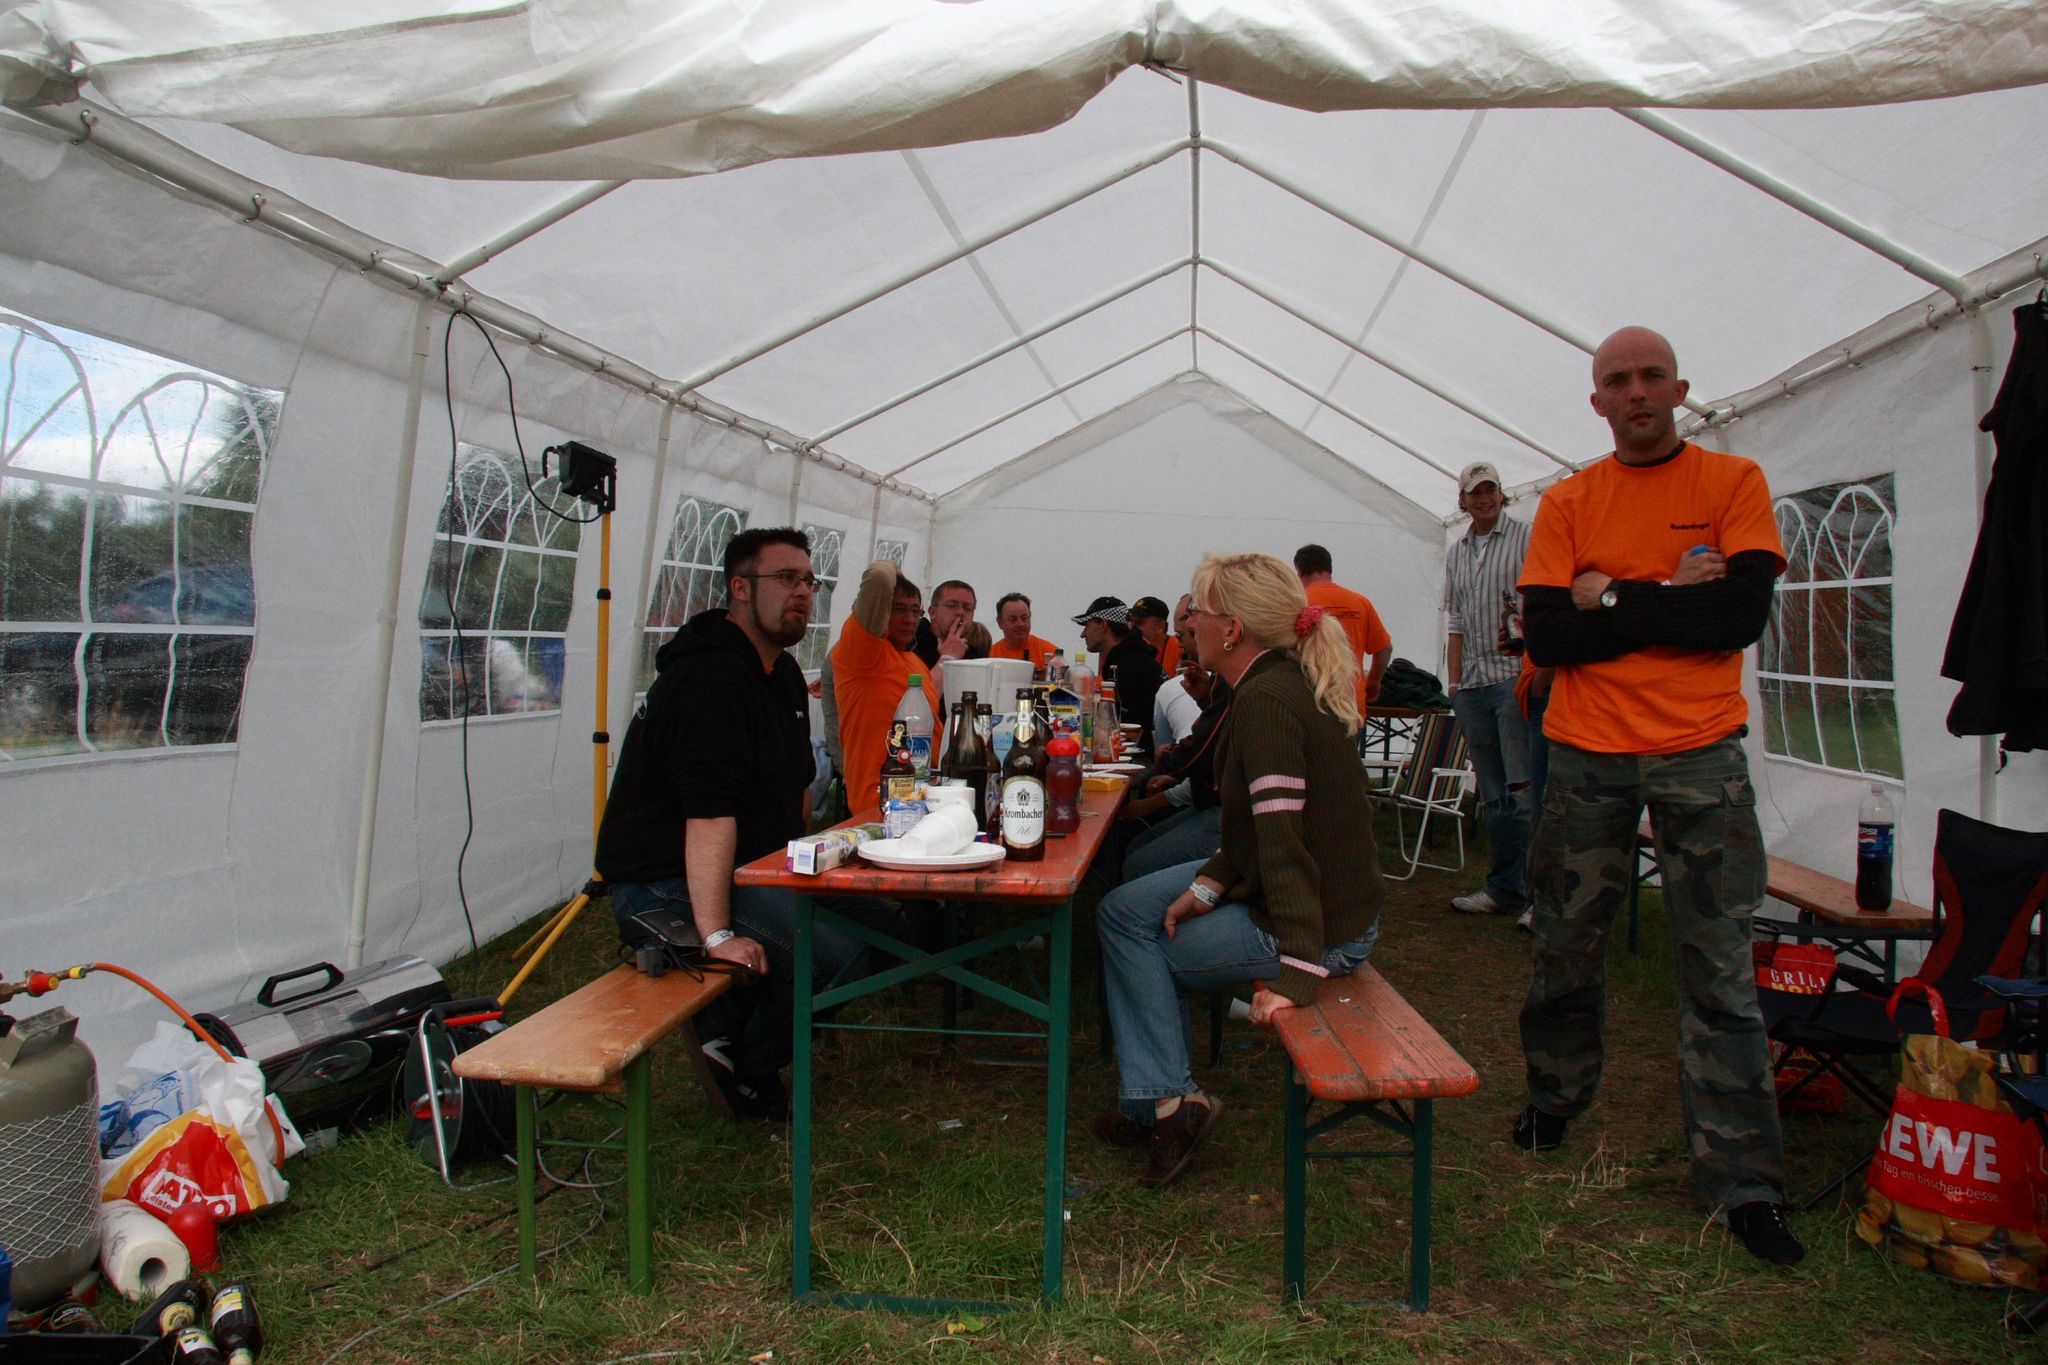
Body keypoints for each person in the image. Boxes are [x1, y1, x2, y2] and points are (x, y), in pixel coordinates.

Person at [1516, 325, 1801, 1267]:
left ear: (1680, 389)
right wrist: (1670, 597)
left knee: (1718, 966)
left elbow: (1738, 615)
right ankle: (1554, 1099)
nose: (1636, 391)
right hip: (1585, 755)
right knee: (1565, 942)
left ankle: (1745, 1180)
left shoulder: (1732, 481)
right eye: (1618, 380)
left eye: (1651, 377)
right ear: (1596, 400)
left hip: (1700, 753)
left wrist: (1608, 595)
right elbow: (1548, 638)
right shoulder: (1568, 500)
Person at [1093, 553, 1385, 1187]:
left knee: (1141, 945)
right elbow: (1252, 831)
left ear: (1232, 629)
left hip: (1324, 927)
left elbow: (1286, 846)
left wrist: (1299, 971)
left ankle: (1167, 1105)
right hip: (1309, 901)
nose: (1187, 622)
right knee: (1121, 911)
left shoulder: (1268, 700)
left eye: (1197, 610)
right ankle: (1156, 1100)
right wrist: (1207, 886)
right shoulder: (1266, 684)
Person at [595, 527, 898, 1120]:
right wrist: (716, 938)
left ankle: (738, 1026)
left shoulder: (779, 672)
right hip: (663, 878)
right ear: (740, 588)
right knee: (832, 959)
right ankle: (742, 1062)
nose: (803, 592)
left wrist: (814, 863)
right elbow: (708, 816)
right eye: (786, 579)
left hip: (752, 865)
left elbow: (796, 790)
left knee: (886, 929)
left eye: (809, 581)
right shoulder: (708, 678)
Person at [1441, 462, 1538, 925]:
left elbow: (1541, 603)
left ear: (1501, 494)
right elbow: (1456, 621)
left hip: (1514, 678)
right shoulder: (1457, 552)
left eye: (1489, 490)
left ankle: (1536, 896)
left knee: (1524, 792)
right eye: (1474, 493)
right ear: (1462, 501)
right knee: (1493, 795)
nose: (1482, 499)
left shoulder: (1526, 537)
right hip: (1473, 685)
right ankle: (1503, 889)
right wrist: (1454, 684)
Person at [831, 559, 944, 811]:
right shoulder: (862, 652)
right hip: (878, 805)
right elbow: (879, 577)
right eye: (899, 609)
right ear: (882, 610)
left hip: (923, 799)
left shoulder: (915, 662)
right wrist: (895, 571)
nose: (909, 619)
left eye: (915, 611)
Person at [1292, 544, 1392, 709]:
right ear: (1329, 569)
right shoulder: (1360, 602)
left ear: (1299, 571)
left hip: (1309, 700)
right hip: (1351, 702)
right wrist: (1374, 682)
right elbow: (1385, 649)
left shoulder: (1296, 604)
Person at [1075, 595, 1164, 752]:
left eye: (1087, 625)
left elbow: (1131, 732)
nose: (1082, 634)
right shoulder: (1131, 659)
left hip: (1139, 757)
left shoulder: (1129, 667)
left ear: (1103, 624)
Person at [913, 578, 985, 669]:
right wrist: (949, 657)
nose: (960, 612)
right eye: (951, 605)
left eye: (968, 608)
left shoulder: (975, 658)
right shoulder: (911, 644)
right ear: (933, 613)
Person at [989, 591, 1058, 673]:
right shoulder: (990, 657)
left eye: (1024, 618)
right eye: (1013, 619)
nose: (1020, 624)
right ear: (1000, 623)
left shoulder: (1051, 654)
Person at [1130, 595, 1180, 673]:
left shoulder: (1179, 648)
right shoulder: (1131, 652)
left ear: (1160, 627)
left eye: (1139, 623)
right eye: (1131, 622)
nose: (1133, 628)